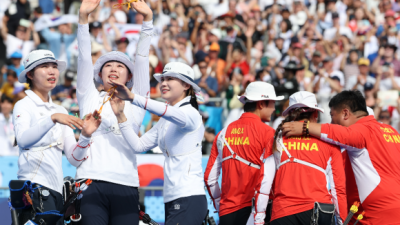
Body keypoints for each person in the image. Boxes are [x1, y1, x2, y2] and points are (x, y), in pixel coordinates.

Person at [76, 0, 153, 224]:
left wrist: (147, 21)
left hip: (127, 184)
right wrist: (83, 19)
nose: (113, 69)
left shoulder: (137, 99)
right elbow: (83, 58)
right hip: (90, 181)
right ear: (99, 75)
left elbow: (143, 59)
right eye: (108, 66)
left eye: (120, 66)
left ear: (130, 77)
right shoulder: (89, 96)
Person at [107, 61, 207, 224]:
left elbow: (167, 111)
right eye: (163, 79)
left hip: (189, 196)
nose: (164, 83)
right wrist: (120, 116)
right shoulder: (165, 121)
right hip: (172, 197)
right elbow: (138, 146)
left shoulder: (191, 113)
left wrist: (133, 97)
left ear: (186, 85)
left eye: (170, 79)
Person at [282, 90, 400, 224]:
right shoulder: (392, 131)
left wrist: (305, 127)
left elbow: (341, 134)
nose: (331, 122)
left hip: (375, 215)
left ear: (345, 113)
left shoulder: (363, 130)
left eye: (332, 116)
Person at [11, 49, 101, 225]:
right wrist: (52, 119)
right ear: (29, 74)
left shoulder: (61, 111)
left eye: (54, 67)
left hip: (57, 193)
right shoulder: (23, 105)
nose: (52, 71)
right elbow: (22, 139)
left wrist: (85, 135)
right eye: (44, 67)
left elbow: (74, 158)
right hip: (33, 189)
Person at [252, 91, 347, 225]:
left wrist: (259, 220)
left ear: (291, 114)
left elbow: (264, 182)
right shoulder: (329, 143)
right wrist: (342, 221)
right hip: (318, 213)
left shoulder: (278, 140)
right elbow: (338, 191)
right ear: (315, 114)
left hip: (283, 213)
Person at [204, 82, 282, 225]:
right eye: (272, 103)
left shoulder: (223, 133)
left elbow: (209, 178)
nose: (274, 108)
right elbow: (270, 178)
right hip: (257, 213)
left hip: (227, 212)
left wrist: (218, 205)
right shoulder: (269, 133)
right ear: (261, 104)